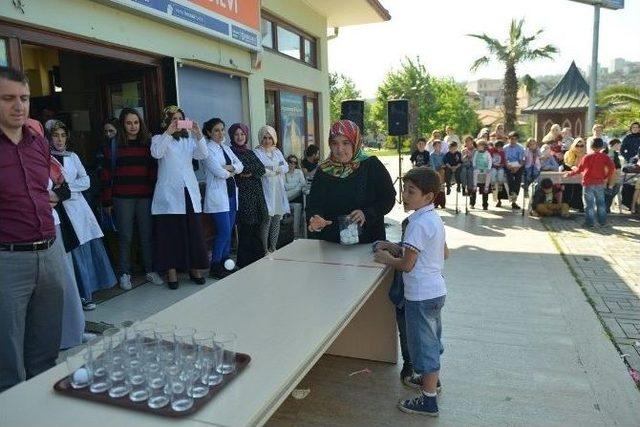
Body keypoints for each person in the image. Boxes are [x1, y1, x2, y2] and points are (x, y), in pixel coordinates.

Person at [0, 67, 66, 392]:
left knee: (45, 348)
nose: (18, 106)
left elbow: (45, 188)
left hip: (50, 252)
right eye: (8, 98)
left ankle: (41, 409)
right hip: (8, 260)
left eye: (24, 98)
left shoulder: (37, 143)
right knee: (7, 357)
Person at [373, 166, 448, 417]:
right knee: (432, 341)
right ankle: (431, 381)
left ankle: (429, 401)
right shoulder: (432, 218)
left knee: (423, 346)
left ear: (428, 197)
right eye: (404, 189)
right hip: (436, 291)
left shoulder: (417, 224)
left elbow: (407, 265)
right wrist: (397, 246)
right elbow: (443, 252)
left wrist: (386, 258)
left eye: (411, 191)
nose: (404, 195)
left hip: (420, 295)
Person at [49, 121, 117, 310]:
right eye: (56, 135)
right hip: (57, 212)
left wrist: (65, 190)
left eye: (63, 135)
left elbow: (86, 180)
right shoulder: (44, 159)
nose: (60, 140)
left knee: (83, 253)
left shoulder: (72, 156)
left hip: (76, 210)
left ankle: (87, 295)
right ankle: (73, 297)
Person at [101, 108, 162, 289]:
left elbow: (153, 172)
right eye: (129, 123)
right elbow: (105, 175)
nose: (133, 126)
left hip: (144, 197)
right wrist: (107, 201)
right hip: (122, 198)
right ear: (122, 124)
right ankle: (125, 273)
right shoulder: (113, 145)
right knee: (125, 236)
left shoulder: (148, 144)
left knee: (146, 235)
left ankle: (150, 270)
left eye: (136, 122)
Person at [306, 119, 395, 243]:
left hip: (368, 241)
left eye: (346, 143)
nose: (339, 149)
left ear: (355, 143)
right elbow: (314, 204)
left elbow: (388, 198)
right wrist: (315, 219)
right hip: (332, 243)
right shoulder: (324, 170)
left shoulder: (371, 165)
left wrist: (366, 213)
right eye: (334, 143)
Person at [150, 105, 209, 289]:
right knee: (170, 234)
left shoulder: (189, 140)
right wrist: (169, 132)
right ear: (167, 121)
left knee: (193, 232)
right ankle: (172, 271)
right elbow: (156, 153)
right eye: (173, 119)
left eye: (180, 118)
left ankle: (194, 268)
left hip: (188, 192)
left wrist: (198, 134)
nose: (177, 122)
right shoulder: (159, 138)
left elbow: (203, 154)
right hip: (169, 194)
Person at [202, 119, 244, 279]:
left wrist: (230, 168)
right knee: (224, 232)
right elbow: (218, 173)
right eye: (216, 131)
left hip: (231, 194)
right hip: (218, 197)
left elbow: (240, 165)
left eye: (222, 130)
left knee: (229, 231)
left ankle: (226, 263)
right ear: (208, 133)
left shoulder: (226, 148)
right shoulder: (206, 149)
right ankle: (215, 265)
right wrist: (231, 170)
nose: (220, 133)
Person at [231, 123, 268, 268]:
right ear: (232, 136)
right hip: (243, 195)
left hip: (256, 195)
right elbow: (239, 171)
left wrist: (249, 173)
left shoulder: (250, 152)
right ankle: (244, 262)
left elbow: (261, 169)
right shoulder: (231, 152)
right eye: (236, 134)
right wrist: (247, 172)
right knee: (246, 228)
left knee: (257, 227)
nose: (240, 137)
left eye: (242, 134)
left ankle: (258, 259)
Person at [254, 125, 290, 253]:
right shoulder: (257, 152)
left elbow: (285, 167)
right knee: (266, 221)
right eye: (264, 137)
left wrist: (274, 169)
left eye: (270, 138)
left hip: (278, 190)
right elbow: (261, 170)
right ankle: (264, 249)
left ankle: (273, 247)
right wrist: (276, 169)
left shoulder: (277, 152)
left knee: (276, 219)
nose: (267, 140)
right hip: (265, 190)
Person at [565, 138, 615, 228]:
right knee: (601, 204)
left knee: (589, 204)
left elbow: (579, 169)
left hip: (588, 183)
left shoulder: (586, 157)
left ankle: (590, 223)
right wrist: (606, 177)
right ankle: (603, 222)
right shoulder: (605, 157)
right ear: (601, 146)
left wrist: (569, 174)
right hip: (599, 183)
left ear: (591, 146)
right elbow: (612, 168)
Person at [284, 154, 307, 237]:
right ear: (287, 162)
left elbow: (303, 185)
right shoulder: (284, 172)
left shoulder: (299, 172)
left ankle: (295, 234)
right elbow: (284, 186)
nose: (292, 164)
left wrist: (292, 187)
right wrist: (296, 186)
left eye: (295, 162)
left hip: (296, 199)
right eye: (290, 162)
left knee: (297, 207)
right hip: (285, 199)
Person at [563, 138, 587, 211]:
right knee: (568, 190)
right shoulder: (568, 153)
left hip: (580, 175)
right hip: (569, 173)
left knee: (578, 190)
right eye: (577, 145)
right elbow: (567, 163)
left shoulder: (585, 155)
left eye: (581, 146)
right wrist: (573, 167)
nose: (579, 147)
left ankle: (577, 206)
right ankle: (565, 206)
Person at [504, 131, 525, 209]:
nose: (513, 141)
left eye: (515, 139)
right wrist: (508, 166)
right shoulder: (505, 148)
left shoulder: (520, 148)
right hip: (508, 165)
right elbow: (504, 159)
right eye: (511, 139)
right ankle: (512, 193)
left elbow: (521, 161)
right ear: (509, 139)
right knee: (509, 177)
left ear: (517, 140)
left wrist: (517, 168)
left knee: (518, 179)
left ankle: (514, 198)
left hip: (518, 165)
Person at [472, 140, 492, 210]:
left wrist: (489, 168)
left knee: (488, 174)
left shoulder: (487, 153)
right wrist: (474, 166)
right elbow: (474, 160)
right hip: (478, 168)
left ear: (484, 147)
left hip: (485, 168)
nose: (479, 147)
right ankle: (474, 186)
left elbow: (490, 161)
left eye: (481, 146)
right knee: (475, 172)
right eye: (478, 146)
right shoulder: (476, 153)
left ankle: (486, 187)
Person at [604, 138, 623, 213]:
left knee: (617, 186)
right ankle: (606, 207)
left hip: (613, 177)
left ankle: (606, 206)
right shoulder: (605, 152)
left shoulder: (615, 153)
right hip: (604, 177)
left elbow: (618, 166)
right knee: (610, 189)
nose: (620, 147)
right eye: (619, 145)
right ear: (615, 144)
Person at [489, 140, 508, 207]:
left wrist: (502, 165)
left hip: (500, 167)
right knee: (493, 173)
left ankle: (500, 185)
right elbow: (489, 159)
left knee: (500, 174)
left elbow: (503, 161)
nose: (499, 148)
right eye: (497, 147)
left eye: (500, 147)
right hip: (493, 167)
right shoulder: (491, 151)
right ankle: (493, 185)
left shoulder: (502, 152)